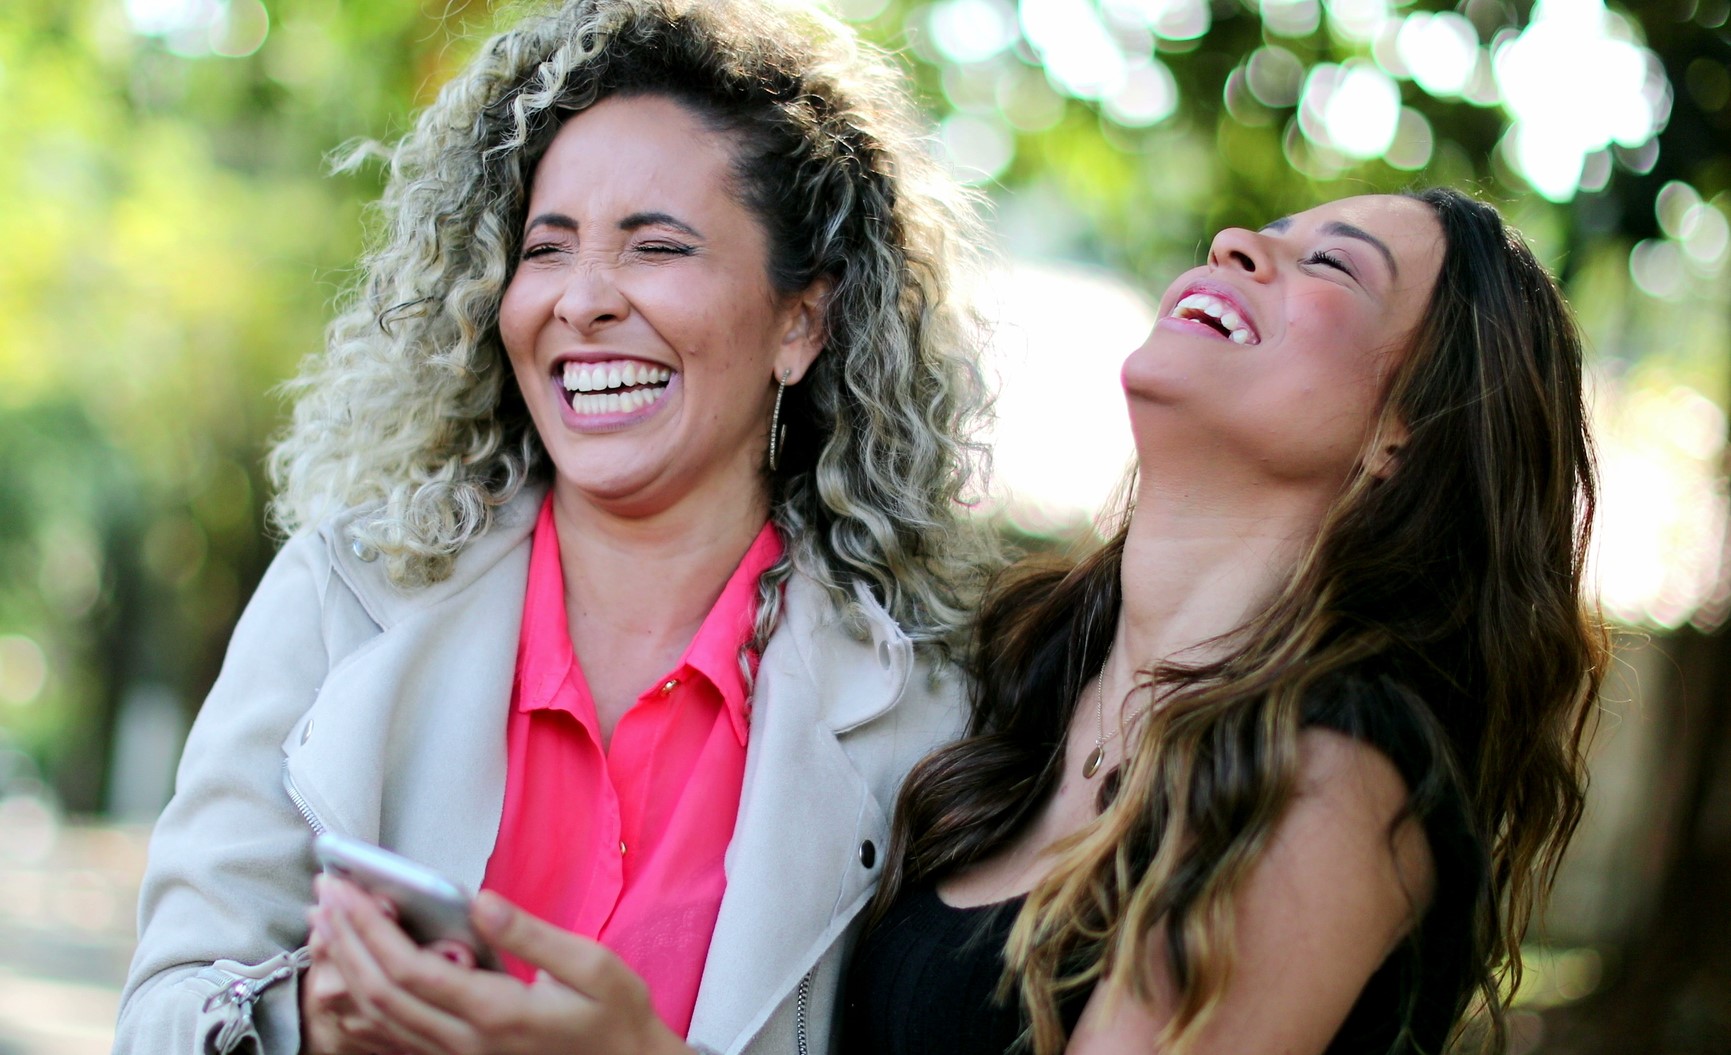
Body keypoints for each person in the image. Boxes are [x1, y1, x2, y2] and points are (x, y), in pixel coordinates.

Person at [115, 1, 995, 1052]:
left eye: (656, 246)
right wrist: (311, 1018)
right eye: (547, 248)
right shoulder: (339, 596)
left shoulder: (928, 709)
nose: (582, 301)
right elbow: (162, 1009)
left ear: (802, 320)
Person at [844, 189, 1607, 1055]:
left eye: (1330, 263)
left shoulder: (1335, 762)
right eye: (1263, 232)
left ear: (1406, 432)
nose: (1233, 241)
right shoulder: (1023, 675)